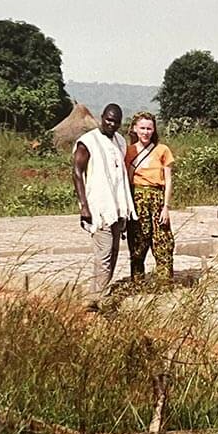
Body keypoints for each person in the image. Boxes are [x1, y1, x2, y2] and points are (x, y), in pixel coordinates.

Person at [72, 103, 136, 297]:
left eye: (116, 122)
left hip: (116, 207)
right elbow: (76, 172)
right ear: (101, 117)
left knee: (114, 252)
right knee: (104, 254)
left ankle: (100, 293)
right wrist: (84, 206)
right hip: (99, 208)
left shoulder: (119, 141)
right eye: (108, 120)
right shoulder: (87, 142)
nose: (112, 124)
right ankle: (95, 299)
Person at [125, 112, 175, 283]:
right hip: (137, 198)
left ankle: (164, 283)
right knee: (138, 241)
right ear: (135, 129)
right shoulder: (128, 151)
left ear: (154, 130)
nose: (146, 132)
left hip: (157, 198)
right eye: (142, 128)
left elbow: (168, 179)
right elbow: (126, 179)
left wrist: (166, 207)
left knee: (163, 241)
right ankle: (137, 282)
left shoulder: (163, 150)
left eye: (149, 128)